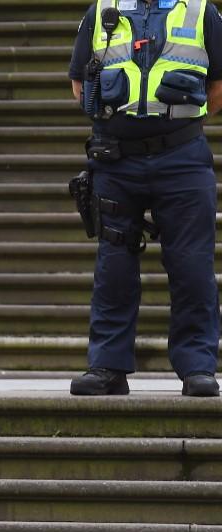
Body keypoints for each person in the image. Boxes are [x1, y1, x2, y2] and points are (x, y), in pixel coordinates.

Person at [68, 0, 222, 396]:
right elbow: (79, 82)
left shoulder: (200, 11)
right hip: (116, 159)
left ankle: (197, 369)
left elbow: (219, 84)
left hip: (182, 157)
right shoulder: (101, 10)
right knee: (114, 266)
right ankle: (107, 368)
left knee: (191, 266)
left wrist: (181, 121)